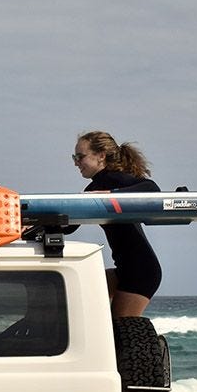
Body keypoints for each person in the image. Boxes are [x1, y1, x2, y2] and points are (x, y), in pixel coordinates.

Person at [73, 131, 162, 317]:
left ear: (101, 156)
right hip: (124, 270)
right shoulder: (92, 188)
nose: (76, 163)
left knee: (121, 332)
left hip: (141, 271)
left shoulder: (114, 178)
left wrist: (110, 194)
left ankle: (151, 346)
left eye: (80, 157)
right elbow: (69, 224)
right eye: (75, 157)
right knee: (75, 294)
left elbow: (151, 188)